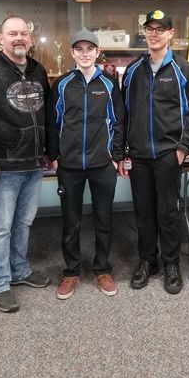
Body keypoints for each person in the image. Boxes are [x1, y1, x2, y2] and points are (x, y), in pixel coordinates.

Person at [0, 16, 53, 313]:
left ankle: (19, 270)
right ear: (1, 38)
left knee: (24, 222)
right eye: (12, 33)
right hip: (3, 166)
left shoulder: (37, 70)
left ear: (29, 39)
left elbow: (47, 116)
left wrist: (50, 151)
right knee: (1, 228)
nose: (19, 38)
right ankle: (0, 282)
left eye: (23, 34)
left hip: (33, 164)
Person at [118, 10, 189, 294]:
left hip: (168, 154)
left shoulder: (183, 70)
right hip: (139, 155)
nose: (153, 34)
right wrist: (123, 151)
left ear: (170, 34)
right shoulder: (132, 71)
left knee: (168, 211)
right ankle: (147, 260)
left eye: (160, 29)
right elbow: (123, 115)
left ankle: (171, 263)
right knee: (143, 211)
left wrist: (182, 149)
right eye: (149, 29)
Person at [46, 29, 125, 299]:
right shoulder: (62, 84)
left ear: (97, 52)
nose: (85, 54)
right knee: (71, 221)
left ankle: (102, 269)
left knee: (104, 219)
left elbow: (118, 122)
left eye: (89, 49)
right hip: (69, 166)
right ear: (72, 53)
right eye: (79, 49)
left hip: (102, 164)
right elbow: (52, 122)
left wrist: (115, 156)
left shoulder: (110, 84)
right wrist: (55, 155)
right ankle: (71, 272)